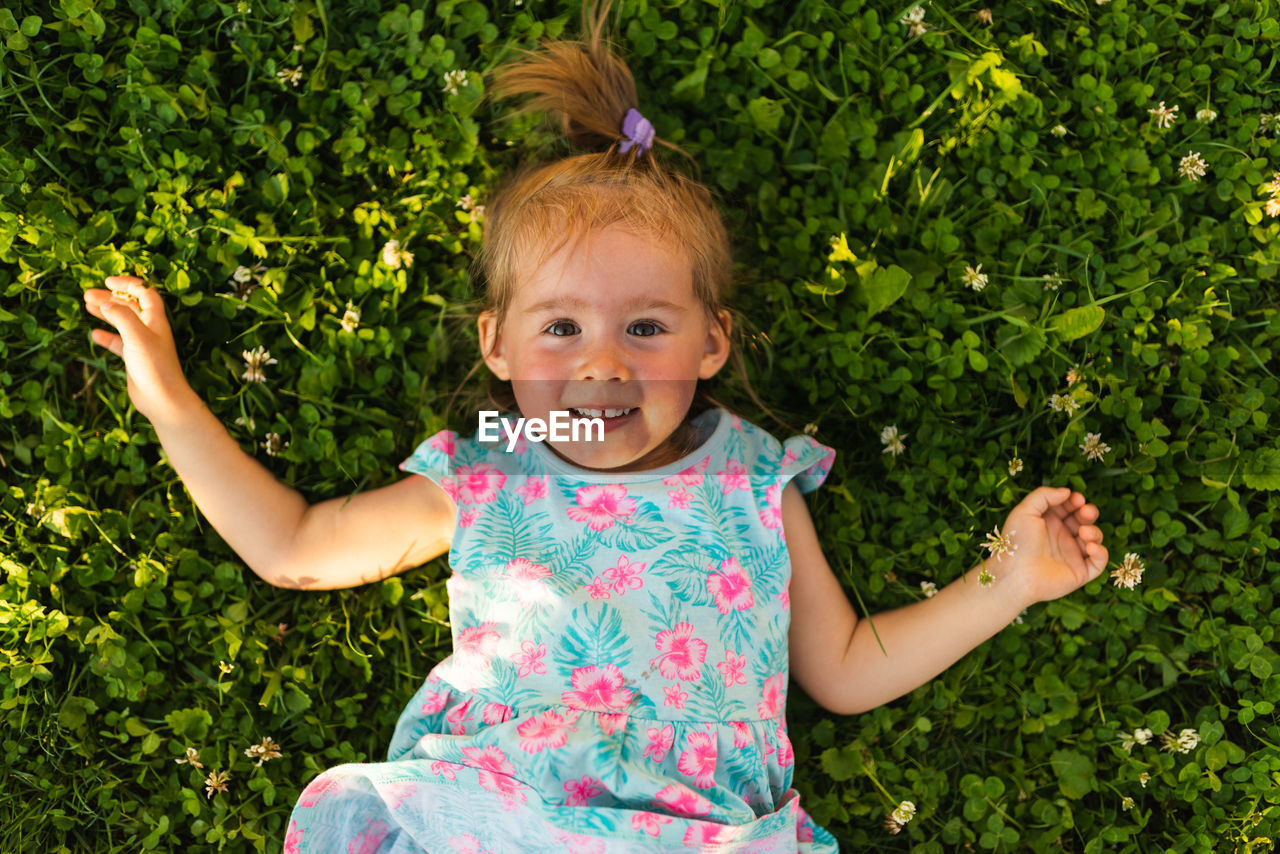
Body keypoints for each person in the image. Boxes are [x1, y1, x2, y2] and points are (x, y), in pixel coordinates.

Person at [82, 3, 1109, 851]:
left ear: (712, 341)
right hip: (502, 812)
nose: (602, 362)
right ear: (495, 343)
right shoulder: (488, 474)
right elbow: (295, 548)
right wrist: (167, 396)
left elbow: (841, 665)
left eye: (645, 327)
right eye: (561, 326)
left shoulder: (752, 478)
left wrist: (1007, 578)